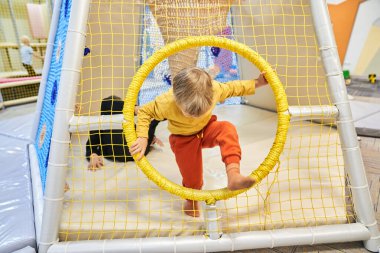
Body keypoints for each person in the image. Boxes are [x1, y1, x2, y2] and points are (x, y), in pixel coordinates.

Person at [130, 67, 268, 217]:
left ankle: (233, 175)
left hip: (206, 129)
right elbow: (144, 112)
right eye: (190, 113)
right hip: (183, 139)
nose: (195, 116)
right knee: (192, 177)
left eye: (201, 111)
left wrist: (259, 82)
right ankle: (192, 200)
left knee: (227, 129)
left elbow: (235, 88)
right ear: (176, 98)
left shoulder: (215, 89)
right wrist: (143, 137)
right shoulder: (166, 102)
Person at [86, 95, 163, 170]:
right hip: (113, 150)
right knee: (107, 102)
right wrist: (93, 155)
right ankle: (136, 109)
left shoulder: (129, 120)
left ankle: (139, 110)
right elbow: (91, 144)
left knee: (150, 122)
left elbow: (142, 129)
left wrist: (152, 137)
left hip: (139, 150)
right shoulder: (100, 122)